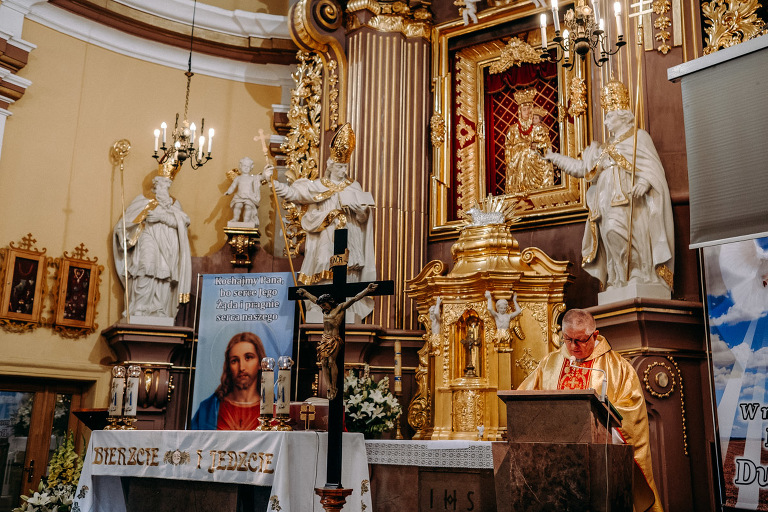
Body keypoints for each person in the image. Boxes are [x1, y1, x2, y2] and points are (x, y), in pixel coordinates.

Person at [519, 309, 664, 512]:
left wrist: (597, 422)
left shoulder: (617, 367)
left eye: (579, 340)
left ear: (594, 335)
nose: (572, 346)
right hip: (553, 460)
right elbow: (525, 399)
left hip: (599, 461)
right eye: (567, 339)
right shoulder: (549, 364)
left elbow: (632, 412)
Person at [545, 79, 674, 295]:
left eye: (609, 116)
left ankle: (638, 273)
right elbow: (581, 169)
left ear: (622, 114)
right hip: (605, 205)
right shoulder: (603, 149)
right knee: (610, 236)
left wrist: (644, 182)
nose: (605, 122)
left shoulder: (638, 139)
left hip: (631, 202)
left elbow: (653, 168)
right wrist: (553, 157)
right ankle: (617, 278)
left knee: (627, 234)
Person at [264, 123, 376, 323]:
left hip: (350, 235)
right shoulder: (318, 186)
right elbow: (293, 194)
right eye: (339, 166)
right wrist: (273, 182)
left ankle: (347, 306)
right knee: (325, 266)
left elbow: (363, 218)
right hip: (325, 235)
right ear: (330, 165)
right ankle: (324, 307)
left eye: (345, 166)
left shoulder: (354, 186)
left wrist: (360, 212)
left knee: (348, 269)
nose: (343, 170)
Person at [113, 162, 192, 320]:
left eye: (167, 186)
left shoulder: (175, 204)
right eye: (161, 185)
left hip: (169, 247)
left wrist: (160, 217)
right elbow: (126, 223)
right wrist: (124, 232)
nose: (164, 189)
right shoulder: (142, 201)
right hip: (148, 238)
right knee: (146, 268)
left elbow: (182, 223)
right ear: (155, 186)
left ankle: (159, 308)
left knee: (163, 275)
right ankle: (139, 308)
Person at [295, 283, 378, 400]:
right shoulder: (324, 309)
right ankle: (328, 386)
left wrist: (367, 290)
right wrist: (306, 293)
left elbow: (354, 299)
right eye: (322, 306)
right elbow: (314, 300)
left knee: (331, 361)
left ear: (330, 302)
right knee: (323, 362)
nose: (323, 307)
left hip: (334, 339)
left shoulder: (339, 308)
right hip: (324, 338)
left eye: (324, 305)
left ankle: (334, 386)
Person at [191, 332, 267, 430]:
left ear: (260, 363)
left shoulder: (273, 410)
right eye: (234, 361)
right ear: (228, 366)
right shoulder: (208, 408)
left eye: (248, 357)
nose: (241, 367)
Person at [505, 89, 555, 195]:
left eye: (528, 109)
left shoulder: (540, 128)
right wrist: (523, 148)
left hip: (535, 159)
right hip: (519, 161)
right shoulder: (513, 129)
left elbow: (547, 145)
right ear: (520, 111)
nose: (527, 112)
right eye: (524, 109)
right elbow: (508, 148)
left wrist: (537, 146)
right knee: (521, 155)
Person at [225, 156, 262, 227]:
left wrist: (266, 174)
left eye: (248, 166)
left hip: (249, 196)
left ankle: (246, 220)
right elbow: (233, 186)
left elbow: (261, 178)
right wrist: (228, 192)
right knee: (237, 206)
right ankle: (235, 218)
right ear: (240, 167)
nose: (246, 167)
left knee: (248, 207)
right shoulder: (238, 178)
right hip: (239, 195)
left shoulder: (252, 178)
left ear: (251, 167)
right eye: (244, 166)